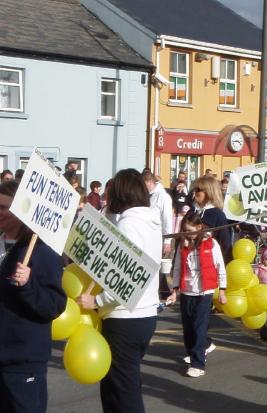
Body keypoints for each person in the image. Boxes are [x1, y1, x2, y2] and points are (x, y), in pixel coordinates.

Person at [77, 168, 162, 413]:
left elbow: (125, 276)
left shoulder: (129, 224)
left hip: (123, 316)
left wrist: (96, 300)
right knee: (126, 384)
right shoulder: (149, 220)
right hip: (144, 314)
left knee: (121, 393)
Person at [0, 181, 66, 412]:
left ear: (20, 210)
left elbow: (54, 305)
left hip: (23, 361)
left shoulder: (42, 251)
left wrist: (28, 285)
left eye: (3, 207)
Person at [167, 212, 227, 378]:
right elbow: (178, 268)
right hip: (187, 291)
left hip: (204, 292)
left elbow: (220, 266)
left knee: (199, 327)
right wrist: (174, 290)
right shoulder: (182, 245)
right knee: (188, 328)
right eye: (186, 231)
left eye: (191, 231)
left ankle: (198, 363)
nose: (189, 234)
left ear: (200, 228)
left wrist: (222, 290)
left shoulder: (211, 243)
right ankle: (199, 348)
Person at [190, 176, 232, 263]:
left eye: (198, 190)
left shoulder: (218, 215)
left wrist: (225, 268)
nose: (195, 192)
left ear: (209, 192)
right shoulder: (191, 212)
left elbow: (225, 245)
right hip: (190, 263)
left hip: (209, 264)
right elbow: (180, 240)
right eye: (194, 189)